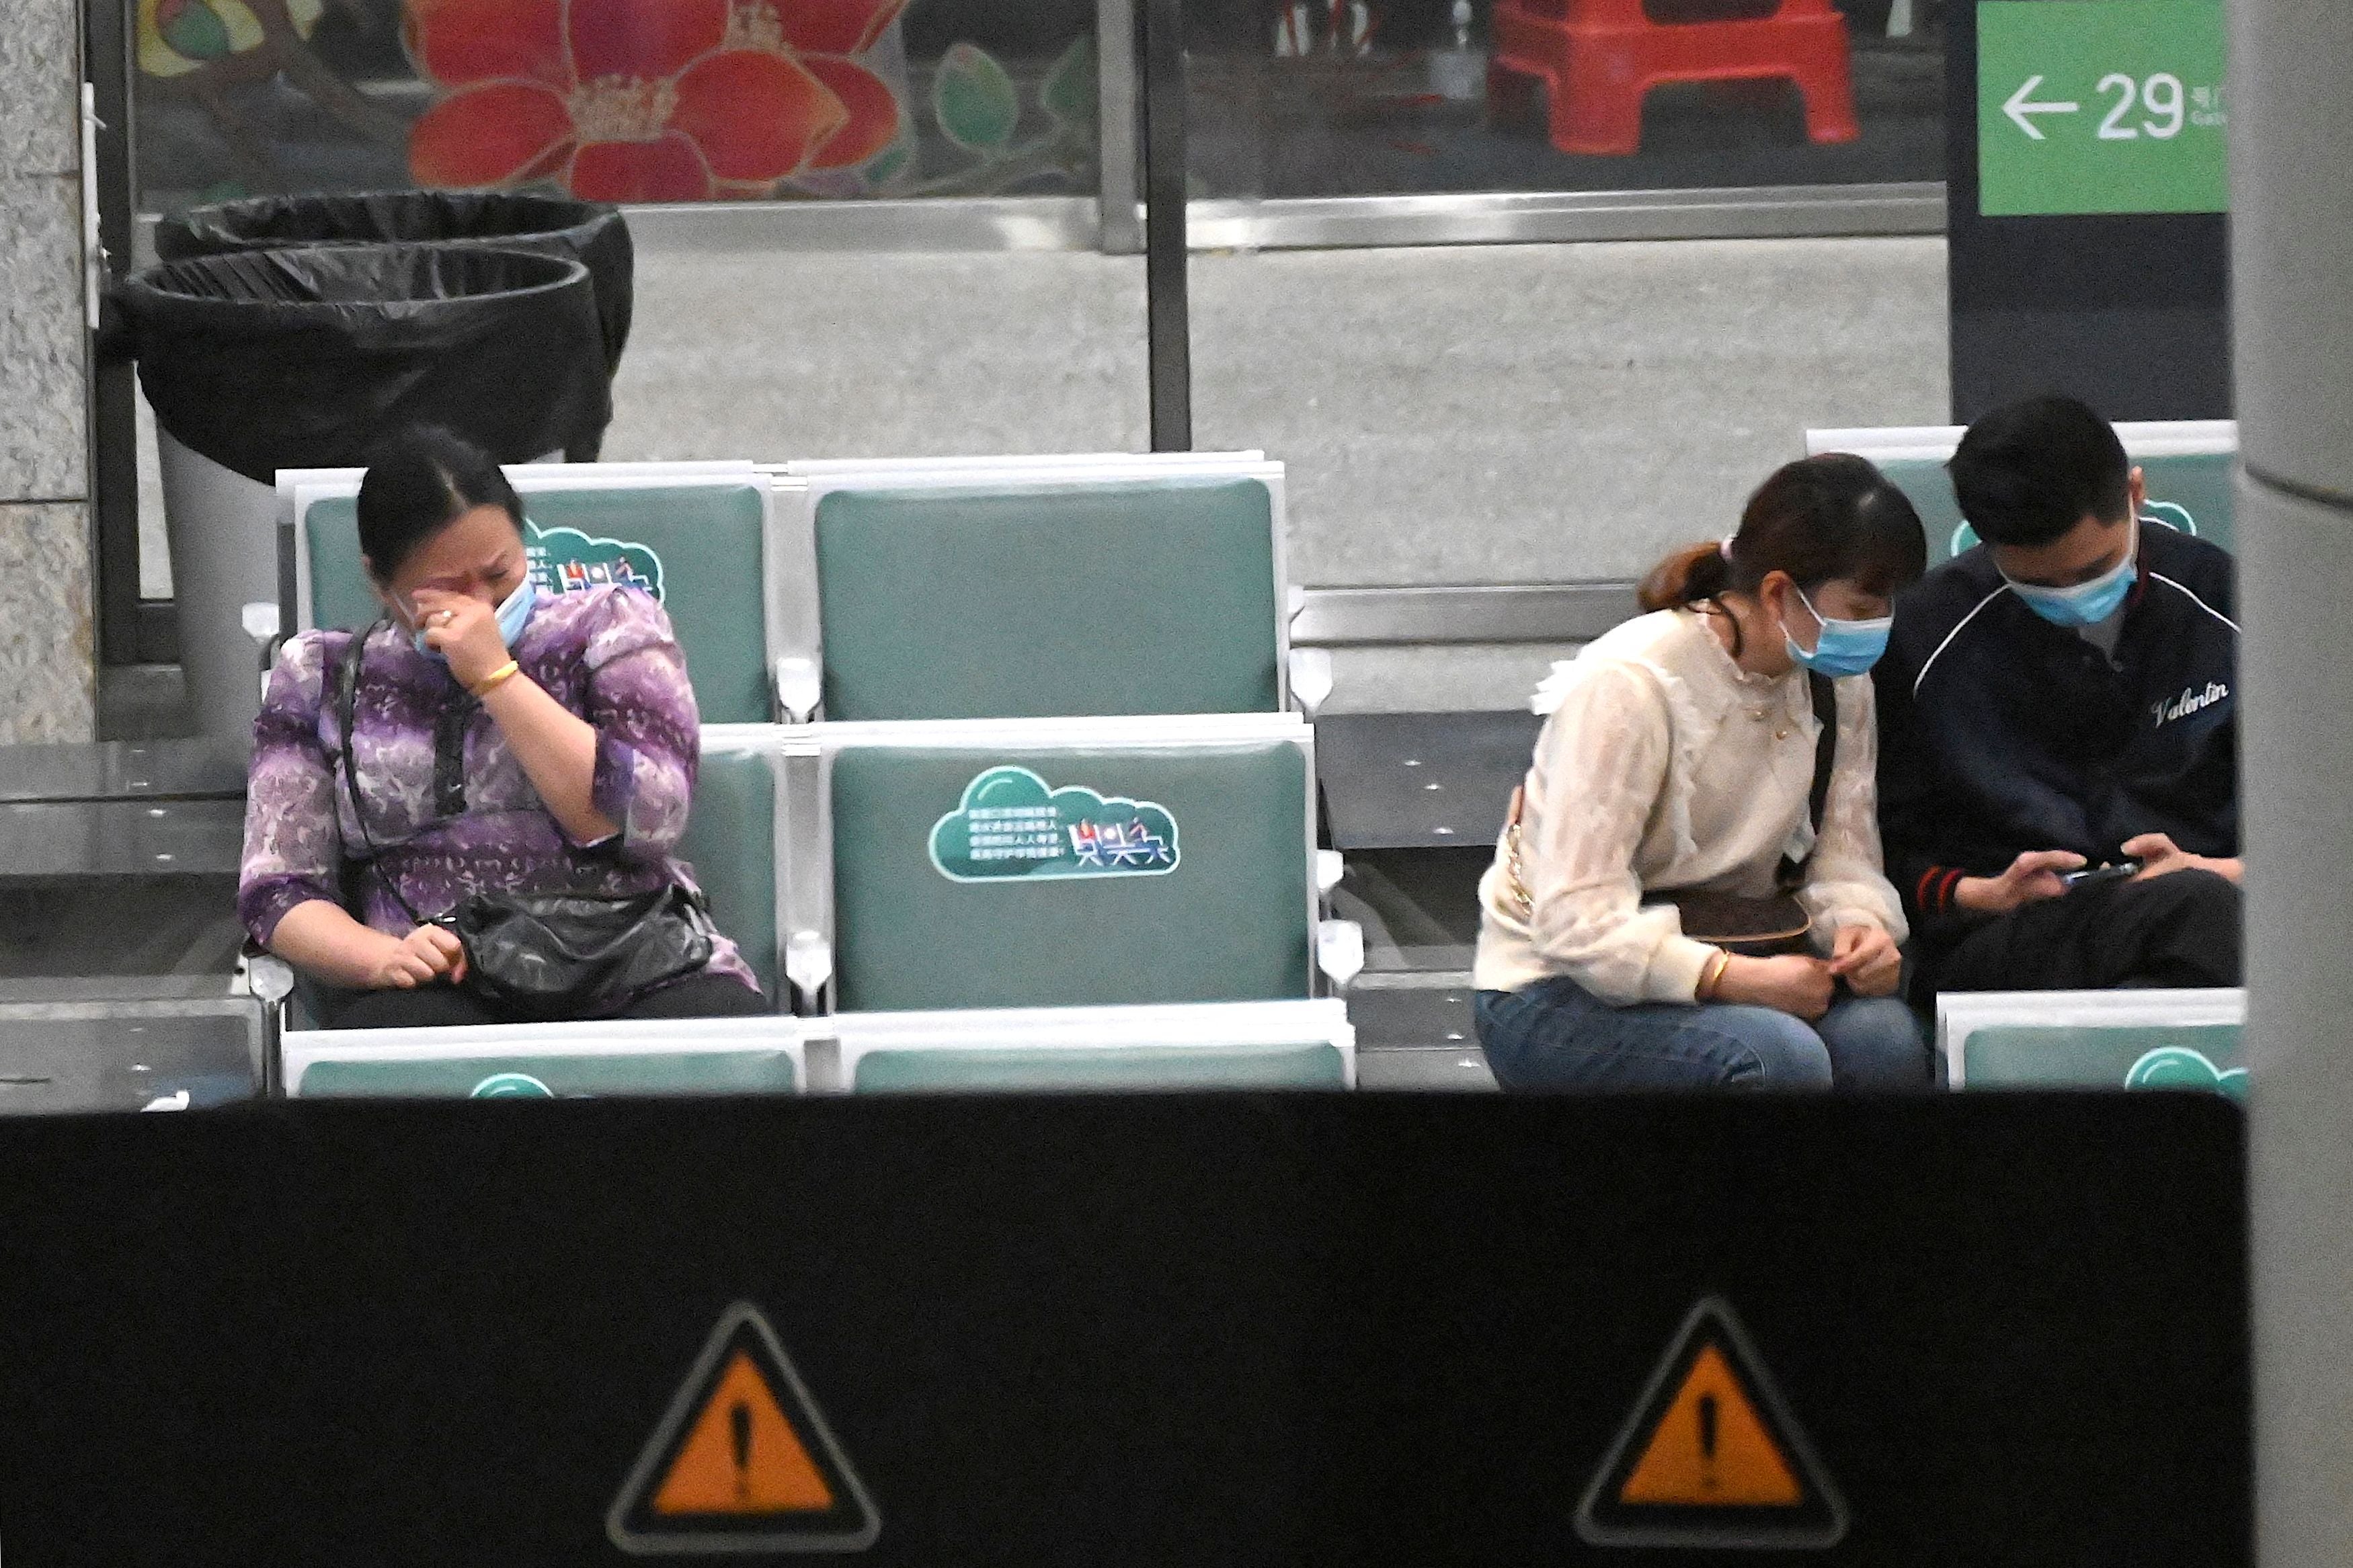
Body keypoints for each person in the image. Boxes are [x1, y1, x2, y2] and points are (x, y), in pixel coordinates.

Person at [239, 426, 766, 1027]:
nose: (480, 605)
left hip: (625, 959)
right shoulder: (320, 676)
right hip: (437, 979)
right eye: (446, 588)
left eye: (498, 573)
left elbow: (648, 818)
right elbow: (278, 889)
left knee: (722, 1031)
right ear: (381, 582)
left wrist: (498, 678)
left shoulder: (613, 627)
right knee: (397, 1052)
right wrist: (382, 958)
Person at [1473, 454, 1929, 1091]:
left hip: (1744, 948)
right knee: (1780, 1058)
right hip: (1556, 985)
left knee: (1885, 1040)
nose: (1878, 623)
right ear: (1777, 592)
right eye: (1862, 603)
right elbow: (1575, 923)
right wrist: (1729, 978)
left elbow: (1844, 854)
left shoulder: (1837, 681)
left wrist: (1863, 929)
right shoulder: (1630, 686)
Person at [1874, 396, 2240, 997]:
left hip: (2208, 906)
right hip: (2007, 937)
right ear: (1986, 543)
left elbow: (2312, 823)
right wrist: (1983, 893)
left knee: (2200, 916)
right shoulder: (1922, 639)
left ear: (2136, 494)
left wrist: (2214, 869)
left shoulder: (2231, 604)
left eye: (2095, 568)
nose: (2073, 596)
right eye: (2038, 584)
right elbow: (1883, 848)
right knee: (2199, 917)